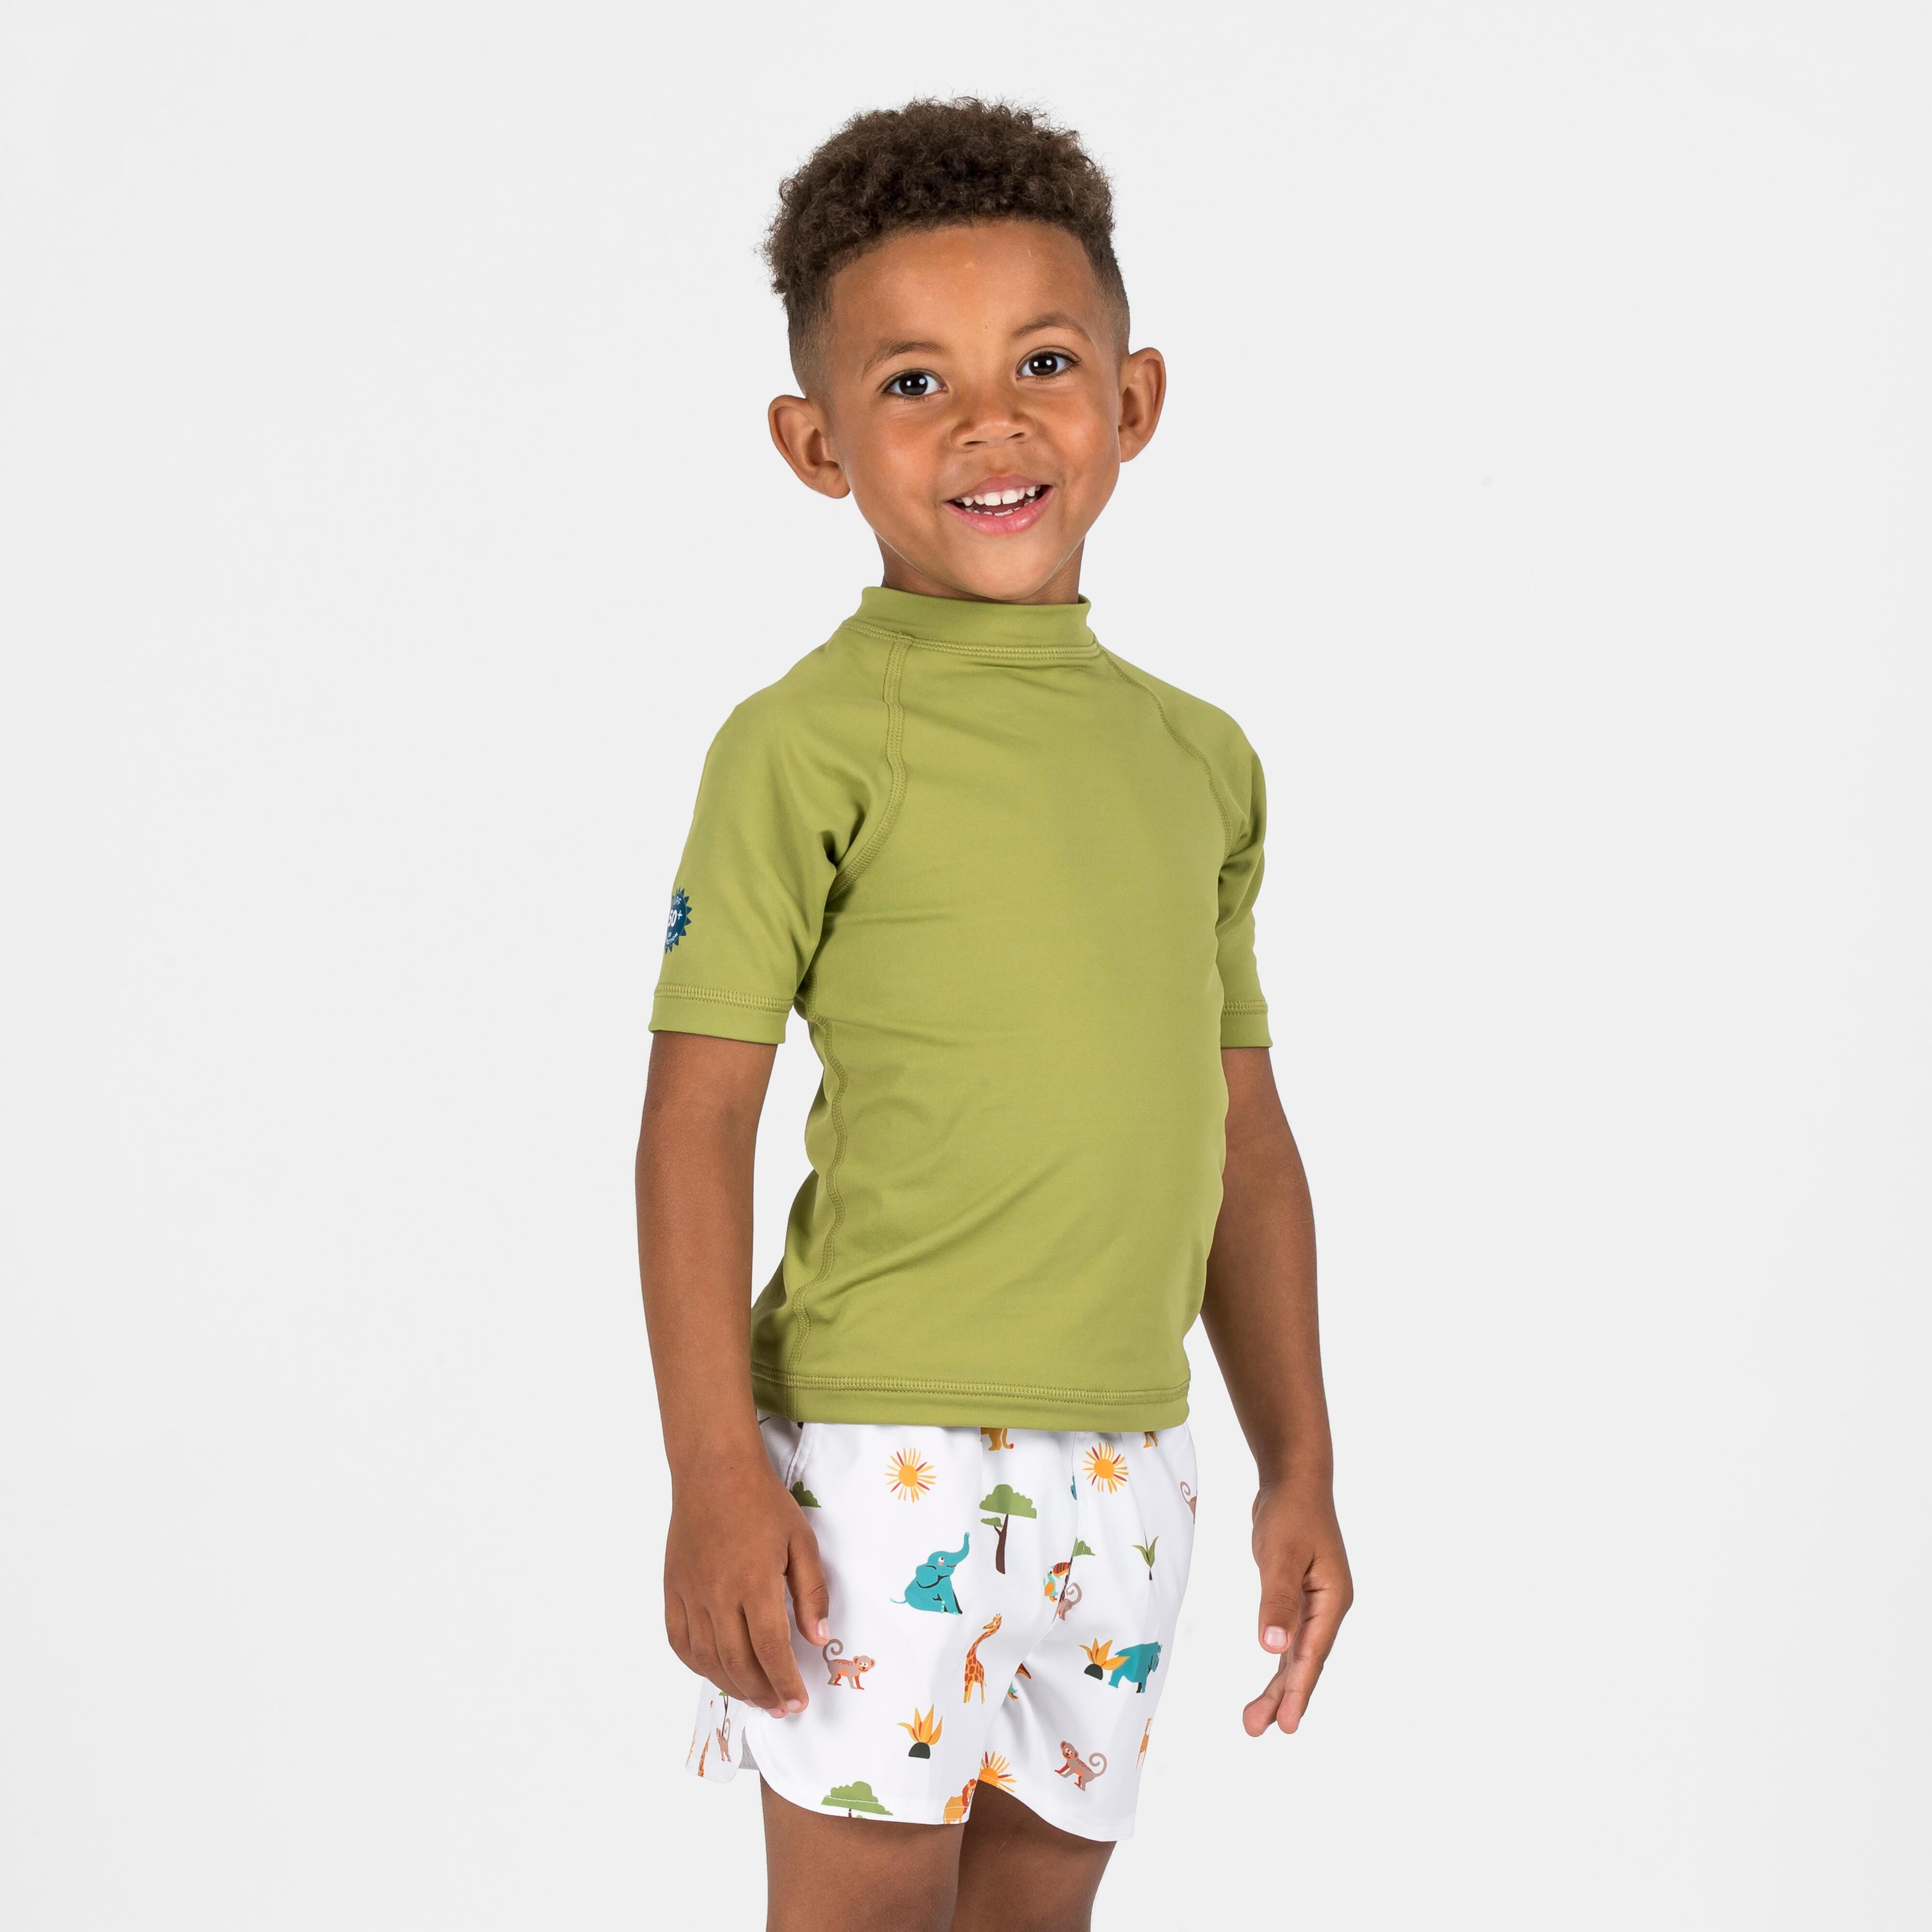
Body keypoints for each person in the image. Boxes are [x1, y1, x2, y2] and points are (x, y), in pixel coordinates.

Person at [636, 97, 1351, 1932]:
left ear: (1134, 399)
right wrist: (714, 1471)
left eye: (1042, 362)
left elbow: (1241, 1134)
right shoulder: (802, 744)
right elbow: (696, 1118)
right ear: (815, 444)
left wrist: (1299, 1463)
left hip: (1131, 1462)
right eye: (913, 384)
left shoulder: (1200, 759)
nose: (990, 423)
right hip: (878, 1467)